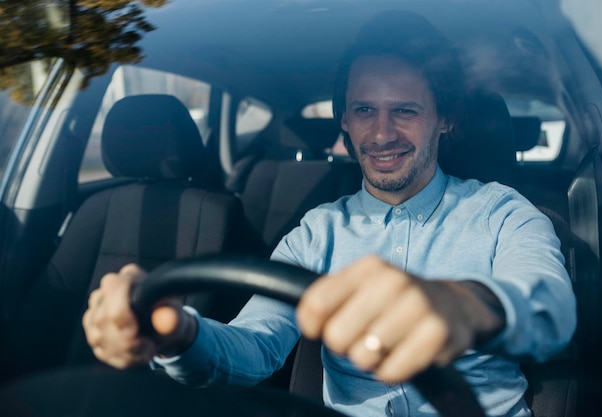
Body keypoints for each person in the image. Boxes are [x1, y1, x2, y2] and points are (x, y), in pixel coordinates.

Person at [82, 12, 576, 417]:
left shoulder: (504, 212)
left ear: (444, 120)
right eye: (364, 111)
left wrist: (466, 304)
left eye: (404, 111)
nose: (381, 134)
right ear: (344, 119)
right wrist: (179, 335)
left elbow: (551, 309)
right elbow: (258, 345)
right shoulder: (315, 233)